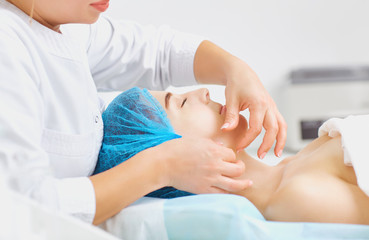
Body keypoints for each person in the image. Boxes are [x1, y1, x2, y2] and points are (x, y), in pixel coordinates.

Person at [0, 0, 287, 225]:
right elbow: (23, 209)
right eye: (180, 103)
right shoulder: (8, 50)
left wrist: (234, 68)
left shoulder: (66, 25)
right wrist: (161, 167)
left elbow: (157, 51)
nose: (206, 94)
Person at [97, 87, 369, 225]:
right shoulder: (298, 197)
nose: (201, 92)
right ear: (178, 152)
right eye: (180, 102)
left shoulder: (295, 166)